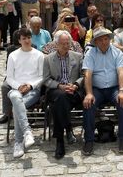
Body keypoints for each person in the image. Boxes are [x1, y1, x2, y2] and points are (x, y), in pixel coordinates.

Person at [82, 27, 123, 155]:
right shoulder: (90, 53)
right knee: (88, 104)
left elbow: (121, 72)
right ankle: (89, 140)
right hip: (97, 89)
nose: (104, 42)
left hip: (114, 88)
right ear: (96, 42)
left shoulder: (117, 52)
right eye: (101, 40)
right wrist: (89, 93)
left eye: (106, 38)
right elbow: (87, 74)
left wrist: (121, 90)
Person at [43, 31, 84, 159]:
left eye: (68, 43)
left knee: (59, 103)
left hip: (74, 90)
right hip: (56, 89)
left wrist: (76, 85)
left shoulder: (77, 56)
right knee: (60, 97)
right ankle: (67, 130)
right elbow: (46, 79)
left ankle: (60, 140)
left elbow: (84, 75)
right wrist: (60, 86)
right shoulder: (48, 59)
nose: (66, 46)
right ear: (56, 44)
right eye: (63, 43)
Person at [6, 28, 44, 158]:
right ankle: (27, 132)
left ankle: (18, 142)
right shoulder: (13, 56)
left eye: (29, 38)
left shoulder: (39, 55)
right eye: (24, 39)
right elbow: (9, 78)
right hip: (16, 90)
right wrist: (19, 86)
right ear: (19, 40)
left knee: (17, 106)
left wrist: (30, 85)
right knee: (16, 99)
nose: (27, 41)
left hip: (33, 91)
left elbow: (41, 76)